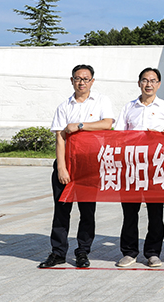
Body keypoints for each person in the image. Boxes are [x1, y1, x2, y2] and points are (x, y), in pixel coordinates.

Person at [39, 64, 115, 269]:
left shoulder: (101, 101)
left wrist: (80, 125)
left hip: (89, 166)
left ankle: (82, 252)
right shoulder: (64, 106)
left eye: (86, 78)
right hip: (68, 165)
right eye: (78, 78)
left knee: (87, 212)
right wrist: (62, 168)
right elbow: (60, 138)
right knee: (62, 210)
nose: (82, 82)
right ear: (71, 81)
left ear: (92, 81)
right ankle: (58, 253)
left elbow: (107, 123)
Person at [115, 67, 164, 268]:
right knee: (129, 213)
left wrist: (161, 136)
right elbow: (118, 135)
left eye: (153, 80)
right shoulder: (129, 107)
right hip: (131, 167)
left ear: (159, 84)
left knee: (155, 212)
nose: (148, 84)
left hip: (156, 167)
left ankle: (153, 252)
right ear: (139, 83)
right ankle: (129, 252)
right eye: (145, 80)